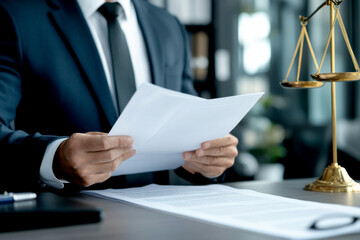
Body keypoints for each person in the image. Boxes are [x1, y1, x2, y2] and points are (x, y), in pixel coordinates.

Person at [0, 0, 238, 192]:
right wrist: (54, 158)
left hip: (162, 222)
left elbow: (189, 126)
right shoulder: (15, 16)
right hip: (66, 222)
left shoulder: (168, 26)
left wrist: (209, 160)